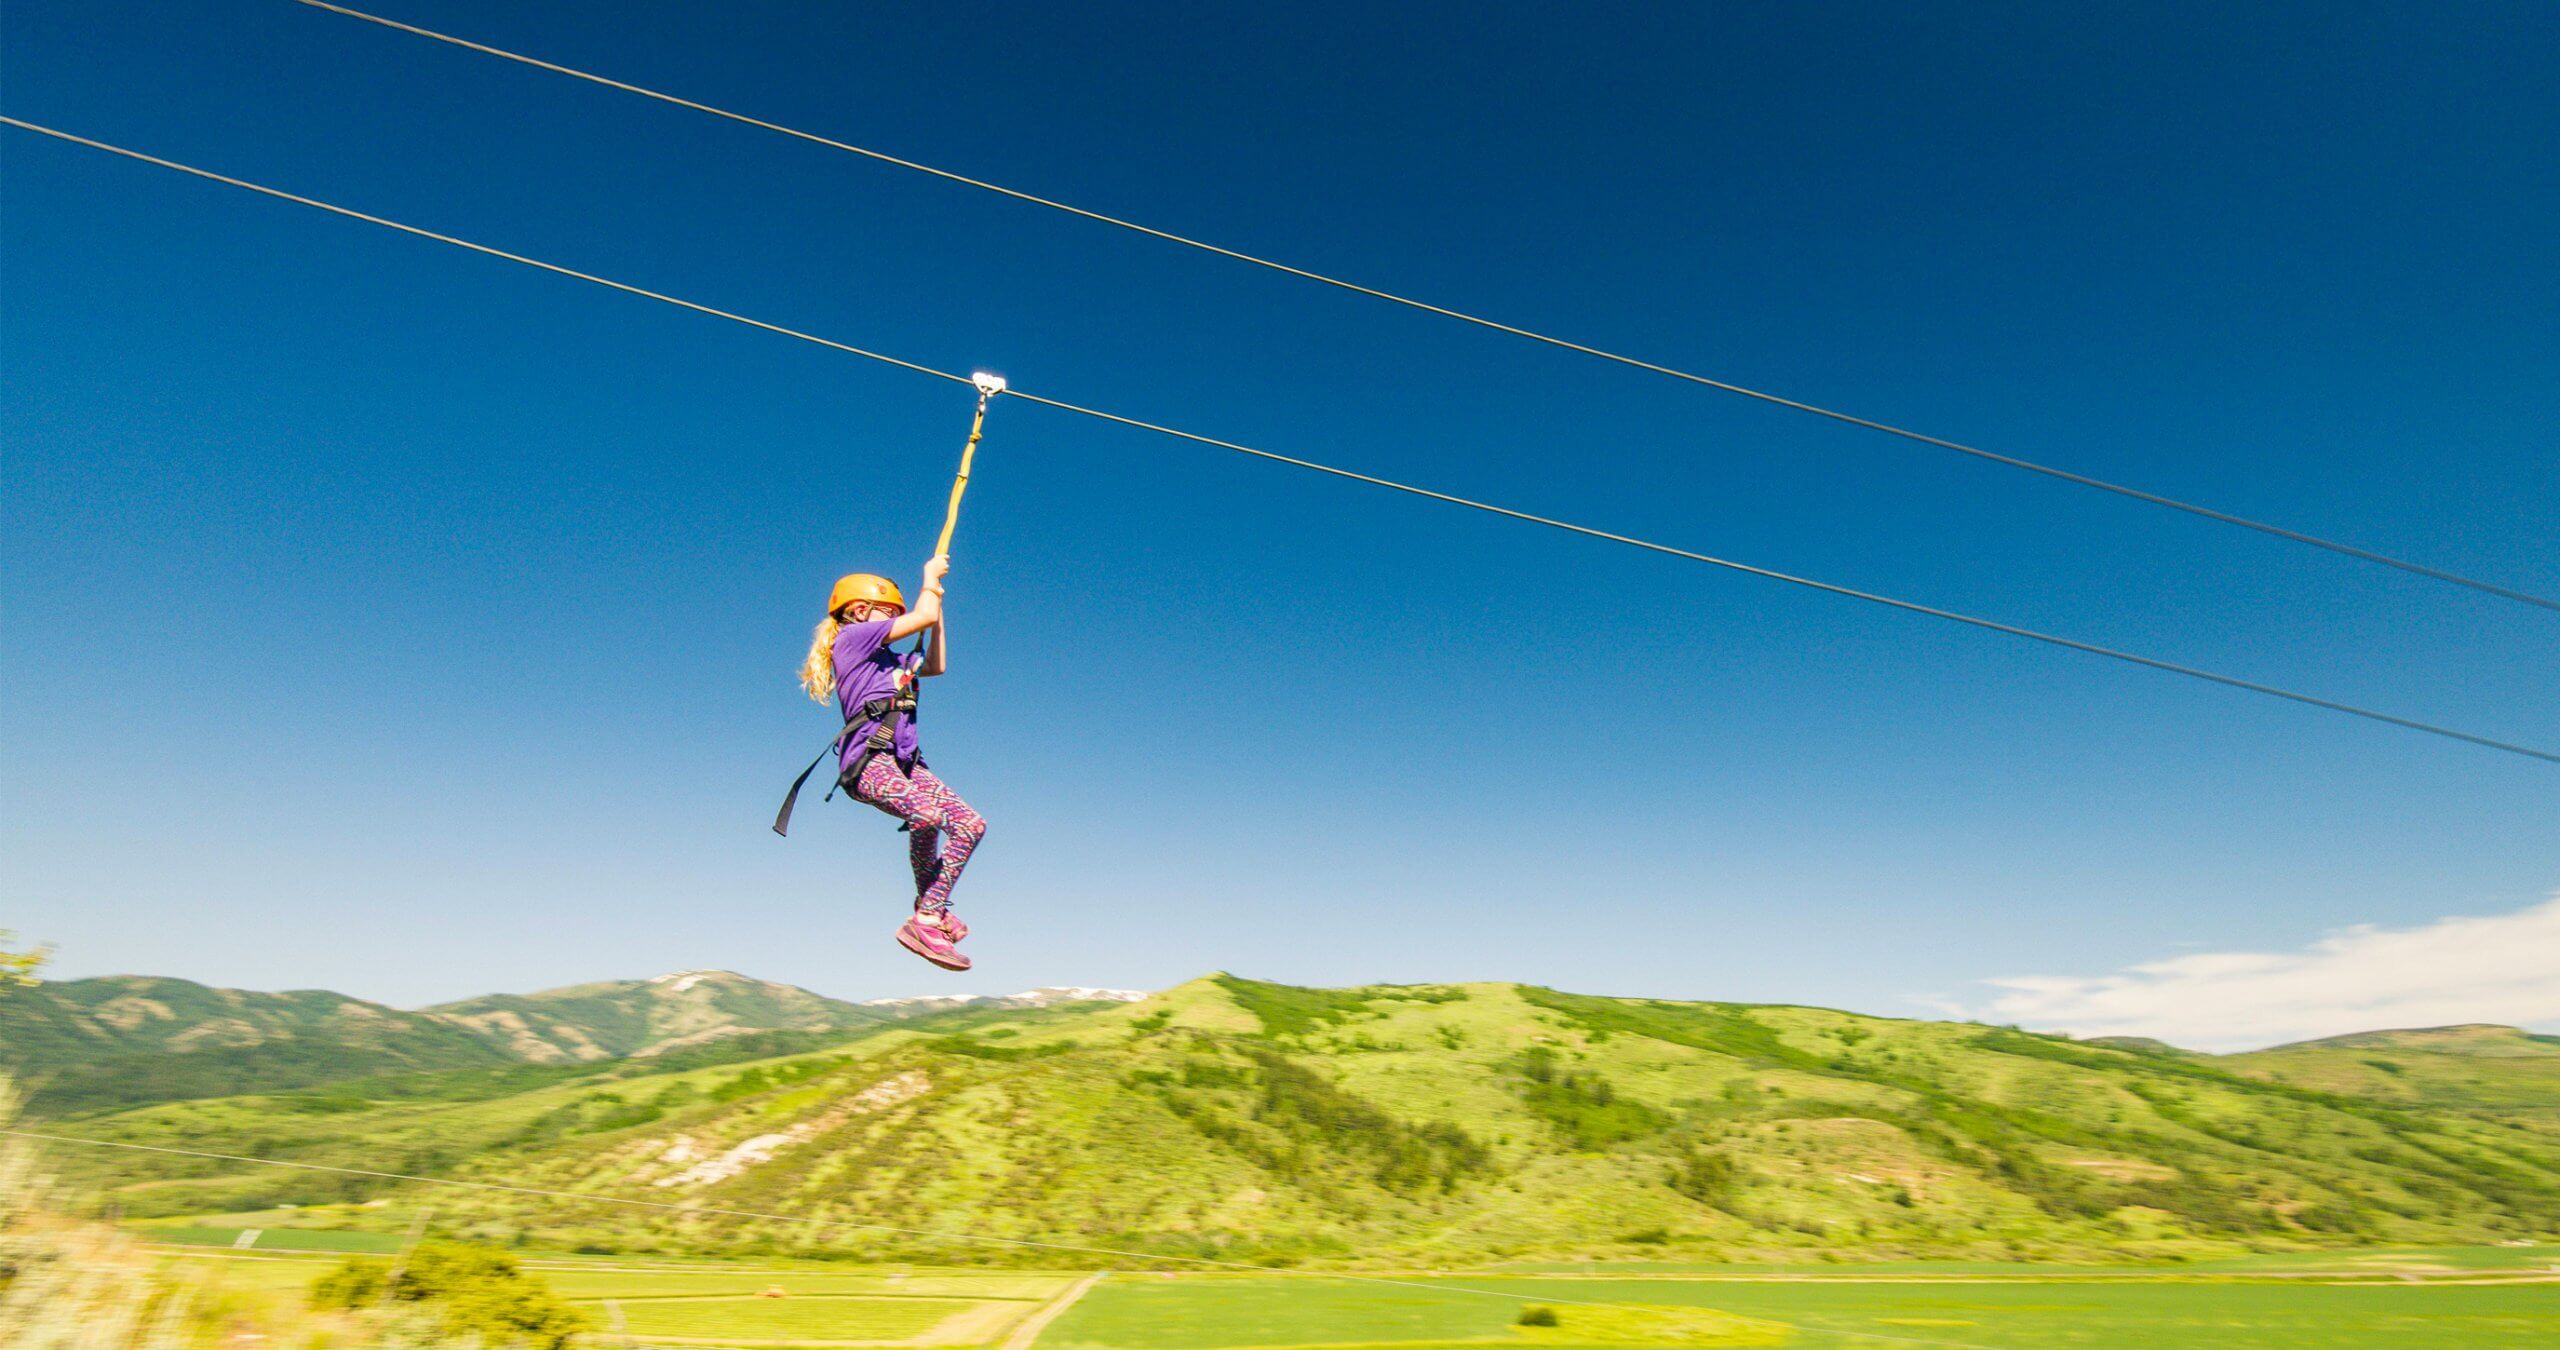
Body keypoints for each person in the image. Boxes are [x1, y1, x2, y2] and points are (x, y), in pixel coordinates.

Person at [798, 555, 984, 970]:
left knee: (971, 824)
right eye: (888, 613)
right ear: (859, 611)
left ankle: (929, 908)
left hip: (905, 764)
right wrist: (929, 581)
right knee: (928, 815)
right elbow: (921, 614)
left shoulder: (892, 664)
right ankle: (926, 919)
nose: (893, 622)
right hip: (869, 763)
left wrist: (935, 614)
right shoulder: (854, 640)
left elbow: (935, 665)